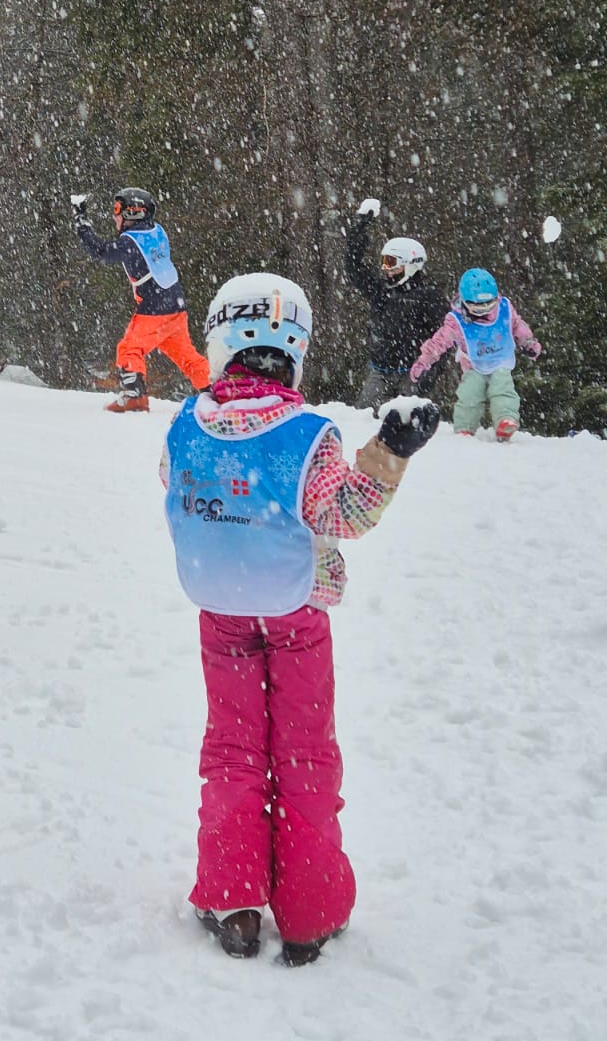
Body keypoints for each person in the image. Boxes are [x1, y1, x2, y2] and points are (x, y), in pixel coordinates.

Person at [161, 271, 439, 965]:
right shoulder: (307, 436)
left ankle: (233, 901)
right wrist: (388, 454)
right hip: (297, 615)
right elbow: (344, 513)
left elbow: (172, 481)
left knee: (233, 750)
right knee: (304, 754)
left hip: (223, 614)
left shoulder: (186, 425)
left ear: (221, 344)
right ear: (295, 353)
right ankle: (310, 912)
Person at [72, 187, 210, 412]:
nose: (114, 216)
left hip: (155, 306)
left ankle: (134, 394)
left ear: (132, 212)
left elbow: (101, 251)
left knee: (129, 348)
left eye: (118, 209)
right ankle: (216, 390)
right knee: (186, 356)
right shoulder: (157, 231)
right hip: (175, 303)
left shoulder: (131, 242)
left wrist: (82, 223)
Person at [410, 268, 541, 442]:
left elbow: (517, 325)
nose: (484, 312)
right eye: (477, 308)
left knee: (502, 388)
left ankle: (505, 420)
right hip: (473, 364)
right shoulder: (456, 321)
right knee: (470, 394)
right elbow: (439, 342)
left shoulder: (504, 308)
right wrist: (424, 361)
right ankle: (465, 427)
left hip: (500, 360)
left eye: (488, 306)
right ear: (465, 302)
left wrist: (529, 343)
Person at [343, 197, 449, 409]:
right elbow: (354, 269)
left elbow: (445, 336)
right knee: (364, 417)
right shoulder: (381, 291)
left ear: (410, 264)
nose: (386, 269)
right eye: (384, 262)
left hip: (413, 371)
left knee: (407, 420)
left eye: (391, 263)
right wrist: (359, 228)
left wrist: (432, 370)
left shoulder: (429, 297)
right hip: (380, 370)